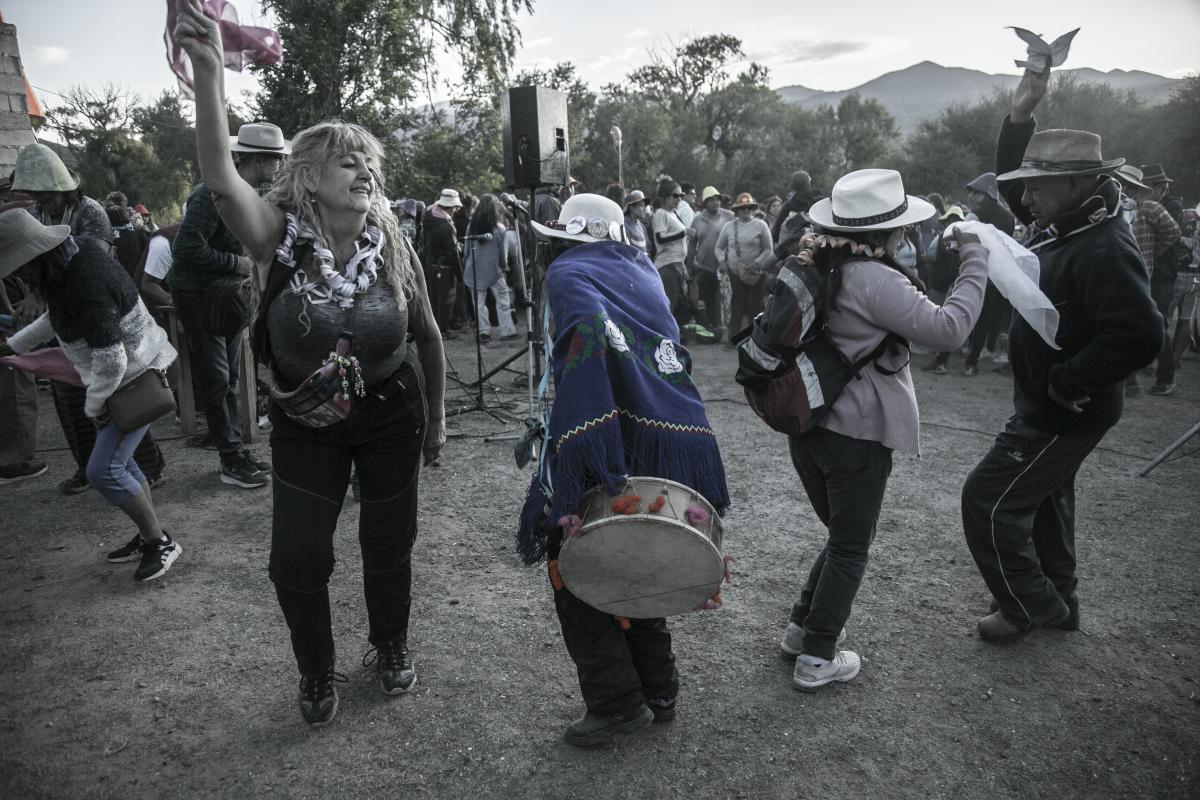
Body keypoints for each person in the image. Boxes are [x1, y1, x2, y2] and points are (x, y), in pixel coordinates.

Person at [175, 0, 447, 727]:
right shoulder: (275, 237)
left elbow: (426, 336)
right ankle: (315, 669)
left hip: (392, 414)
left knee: (388, 545)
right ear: (308, 178)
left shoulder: (394, 242)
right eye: (343, 159)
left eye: (368, 160)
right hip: (305, 420)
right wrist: (209, 74)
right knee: (297, 560)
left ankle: (389, 645)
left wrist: (439, 421)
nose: (361, 168)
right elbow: (219, 174)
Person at [519, 193, 729, 746]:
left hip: (605, 435)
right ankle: (660, 690)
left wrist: (580, 428)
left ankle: (616, 704)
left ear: (566, 238)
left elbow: (589, 330)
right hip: (663, 434)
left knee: (577, 565)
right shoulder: (643, 270)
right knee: (636, 551)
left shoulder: (566, 272)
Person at [962, 69, 1163, 643]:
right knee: (1045, 497)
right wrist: (1021, 115)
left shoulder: (1103, 244)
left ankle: (1030, 605)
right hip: (1052, 403)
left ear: (1077, 184)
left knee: (987, 500)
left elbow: (1142, 334)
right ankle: (1062, 602)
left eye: (1039, 186)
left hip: (1062, 408)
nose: (1025, 198)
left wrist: (1067, 381)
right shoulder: (1067, 219)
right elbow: (1009, 186)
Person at [782, 168, 988, 690]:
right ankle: (818, 658)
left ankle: (800, 632)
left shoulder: (818, 263)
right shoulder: (874, 278)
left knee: (843, 535)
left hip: (808, 420)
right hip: (855, 430)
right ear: (891, 231)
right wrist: (975, 261)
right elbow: (948, 330)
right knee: (852, 545)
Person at [0, 210, 181, 581]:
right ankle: (151, 535)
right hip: (128, 378)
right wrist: (15, 346)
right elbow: (57, 318)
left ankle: (159, 541)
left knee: (103, 470)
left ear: (36, 257)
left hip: (138, 381)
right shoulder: (70, 260)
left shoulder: (85, 279)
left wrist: (94, 407)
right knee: (122, 464)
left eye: (20, 268)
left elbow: (112, 359)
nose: (18, 277)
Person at [170, 122, 286, 489]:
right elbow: (186, 248)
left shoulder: (246, 193)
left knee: (232, 377)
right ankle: (230, 459)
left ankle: (235, 448)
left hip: (229, 296)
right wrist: (235, 264)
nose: (279, 167)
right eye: (275, 159)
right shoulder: (210, 193)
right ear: (258, 159)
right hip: (199, 295)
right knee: (217, 379)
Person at [1115, 165, 1182, 396]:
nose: (1123, 189)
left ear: (1134, 189)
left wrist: (1153, 253)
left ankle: (1157, 379)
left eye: (1126, 186)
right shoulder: (1116, 209)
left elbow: (1174, 232)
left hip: (1140, 276)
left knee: (1153, 326)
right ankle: (1130, 381)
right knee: (1129, 326)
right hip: (1123, 275)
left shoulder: (1150, 209)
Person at [963, 172, 1017, 376]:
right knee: (985, 319)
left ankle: (942, 359)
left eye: (976, 193)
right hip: (996, 274)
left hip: (974, 269)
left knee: (962, 312)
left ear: (987, 194)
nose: (972, 197)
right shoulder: (1008, 218)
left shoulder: (975, 215)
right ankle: (972, 362)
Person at [651, 178, 712, 341]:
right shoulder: (660, 214)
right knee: (669, 305)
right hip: (667, 265)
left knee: (680, 305)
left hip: (677, 265)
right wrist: (684, 232)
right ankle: (665, 339)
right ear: (664, 197)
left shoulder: (673, 214)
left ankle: (675, 336)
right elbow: (660, 237)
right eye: (675, 196)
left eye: (681, 196)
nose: (679, 199)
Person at [464, 194, 518, 343]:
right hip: (494, 270)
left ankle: (483, 332)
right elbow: (502, 254)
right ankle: (507, 330)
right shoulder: (500, 228)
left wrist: (465, 265)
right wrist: (503, 266)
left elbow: (467, 251)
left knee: (479, 303)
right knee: (503, 299)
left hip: (475, 268)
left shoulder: (471, 226)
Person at [716, 193, 773, 335]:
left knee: (755, 307)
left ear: (753, 209)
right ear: (737, 210)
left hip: (757, 274)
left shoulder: (761, 225)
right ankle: (733, 338)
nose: (746, 210)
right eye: (742, 208)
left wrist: (757, 262)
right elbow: (718, 247)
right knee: (737, 306)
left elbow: (768, 249)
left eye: (748, 207)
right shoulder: (729, 226)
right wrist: (722, 261)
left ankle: (756, 339)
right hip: (735, 273)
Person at [923, 205, 968, 374]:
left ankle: (938, 360)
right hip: (951, 284)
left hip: (945, 285)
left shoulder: (942, 239)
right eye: (951, 219)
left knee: (938, 321)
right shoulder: (961, 241)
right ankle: (940, 359)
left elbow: (930, 258)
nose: (952, 222)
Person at [689, 186, 734, 341]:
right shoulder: (697, 220)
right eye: (711, 200)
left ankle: (727, 330)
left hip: (725, 267)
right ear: (705, 203)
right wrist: (689, 266)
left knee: (725, 299)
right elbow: (691, 244)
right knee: (708, 299)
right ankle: (713, 331)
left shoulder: (729, 216)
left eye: (717, 199)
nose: (716, 203)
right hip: (704, 267)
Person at [422, 189, 463, 337]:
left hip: (430, 262)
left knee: (433, 298)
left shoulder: (428, 215)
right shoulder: (446, 226)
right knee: (445, 300)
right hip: (443, 266)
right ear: (451, 207)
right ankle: (442, 331)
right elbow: (452, 253)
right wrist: (460, 274)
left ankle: (435, 329)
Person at [622, 190, 650, 255]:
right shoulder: (623, 225)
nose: (645, 209)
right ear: (631, 207)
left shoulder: (642, 226)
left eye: (645, 206)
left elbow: (648, 248)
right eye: (642, 206)